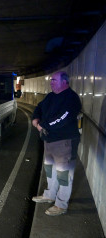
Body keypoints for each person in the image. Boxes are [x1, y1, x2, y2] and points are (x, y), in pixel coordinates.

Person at [31, 71, 81, 216]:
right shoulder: (51, 96)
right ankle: (49, 195)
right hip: (49, 140)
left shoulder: (71, 99)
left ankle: (61, 204)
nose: (51, 82)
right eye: (51, 80)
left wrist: (43, 126)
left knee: (64, 174)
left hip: (64, 142)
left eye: (54, 80)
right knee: (50, 170)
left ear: (64, 82)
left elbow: (62, 118)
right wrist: (35, 119)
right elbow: (39, 107)